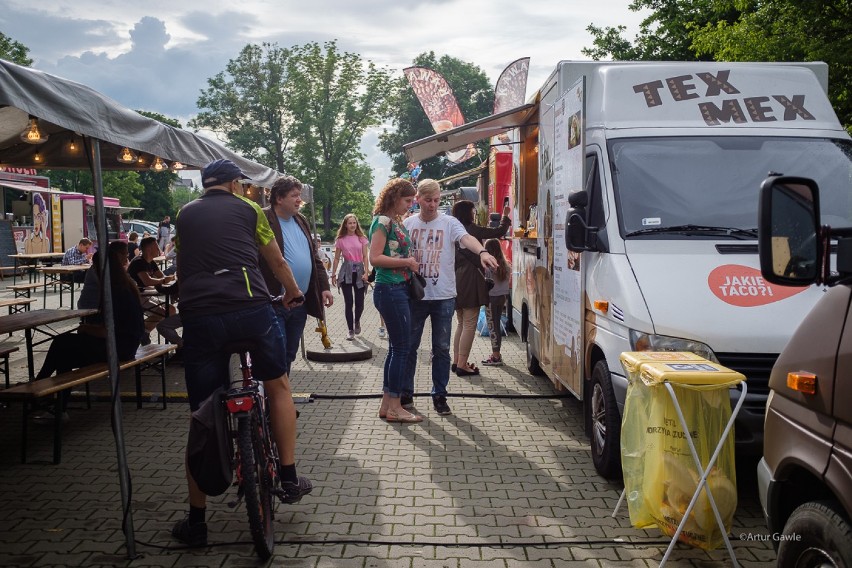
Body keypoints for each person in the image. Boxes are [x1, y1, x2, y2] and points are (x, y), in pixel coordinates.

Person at [172, 159, 310, 547]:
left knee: (201, 416)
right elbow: (276, 259)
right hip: (250, 310)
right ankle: (287, 475)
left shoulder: (184, 215)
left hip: (201, 316)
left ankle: (196, 522)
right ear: (235, 185)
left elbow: (183, 268)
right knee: (278, 385)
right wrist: (293, 292)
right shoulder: (249, 210)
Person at [402, 180, 499, 417]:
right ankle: (406, 393)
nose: (433, 204)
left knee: (442, 349)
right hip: (417, 295)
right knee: (410, 347)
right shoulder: (407, 223)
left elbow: (467, 239)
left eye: (436, 200)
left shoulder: (449, 222)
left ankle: (440, 395)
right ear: (418, 199)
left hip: (444, 296)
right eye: (428, 200)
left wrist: (483, 252)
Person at [258, 176, 333, 375]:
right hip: (275, 302)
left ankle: (280, 404)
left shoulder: (301, 220)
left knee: (289, 354)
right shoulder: (264, 218)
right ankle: (272, 404)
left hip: (299, 302)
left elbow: (314, 257)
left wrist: (324, 287)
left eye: (300, 195)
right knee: (276, 355)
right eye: (294, 195)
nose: (299, 200)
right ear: (279, 198)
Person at [37, 240, 144, 379]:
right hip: (128, 346)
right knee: (63, 349)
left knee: (61, 344)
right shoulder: (126, 284)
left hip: (118, 348)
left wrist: (86, 329)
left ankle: (42, 383)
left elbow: (109, 332)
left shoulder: (114, 291)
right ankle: (48, 387)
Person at [370, 178, 422, 423]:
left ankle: (387, 404)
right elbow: (375, 258)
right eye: (408, 200)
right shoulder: (383, 222)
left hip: (396, 289)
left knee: (396, 348)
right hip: (390, 289)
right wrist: (407, 263)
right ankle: (395, 406)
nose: (410, 206)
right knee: (401, 348)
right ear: (394, 197)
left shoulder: (393, 222)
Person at [450, 199, 510, 377]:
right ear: (467, 213)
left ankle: (456, 361)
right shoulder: (471, 229)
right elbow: (498, 232)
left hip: (456, 277)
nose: (474, 213)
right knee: (469, 323)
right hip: (471, 277)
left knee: (461, 323)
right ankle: (462, 364)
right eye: (473, 211)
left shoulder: (451, 229)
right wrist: (505, 217)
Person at [128, 236, 176, 344]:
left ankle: (144, 331)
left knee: (171, 310)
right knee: (164, 312)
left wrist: (167, 279)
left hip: (146, 294)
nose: (159, 249)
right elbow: (147, 281)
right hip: (135, 296)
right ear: (149, 249)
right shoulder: (138, 262)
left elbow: (161, 276)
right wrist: (163, 280)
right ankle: (141, 332)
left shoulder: (151, 262)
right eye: (157, 246)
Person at [331, 214, 370, 340]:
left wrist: (366, 272)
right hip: (346, 272)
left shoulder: (362, 238)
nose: (352, 225)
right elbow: (336, 258)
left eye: (354, 222)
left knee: (360, 302)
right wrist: (333, 274)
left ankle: (357, 321)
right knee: (349, 302)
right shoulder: (341, 239)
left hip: (359, 272)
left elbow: (365, 256)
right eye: (350, 223)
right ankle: (350, 329)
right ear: (345, 225)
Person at [481, 239, 510, 366]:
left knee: (492, 327)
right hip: (502, 298)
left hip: (491, 299)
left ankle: (496, 356)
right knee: (497, 326)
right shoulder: (505, 265)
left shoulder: (488, 267)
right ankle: (497, 354)